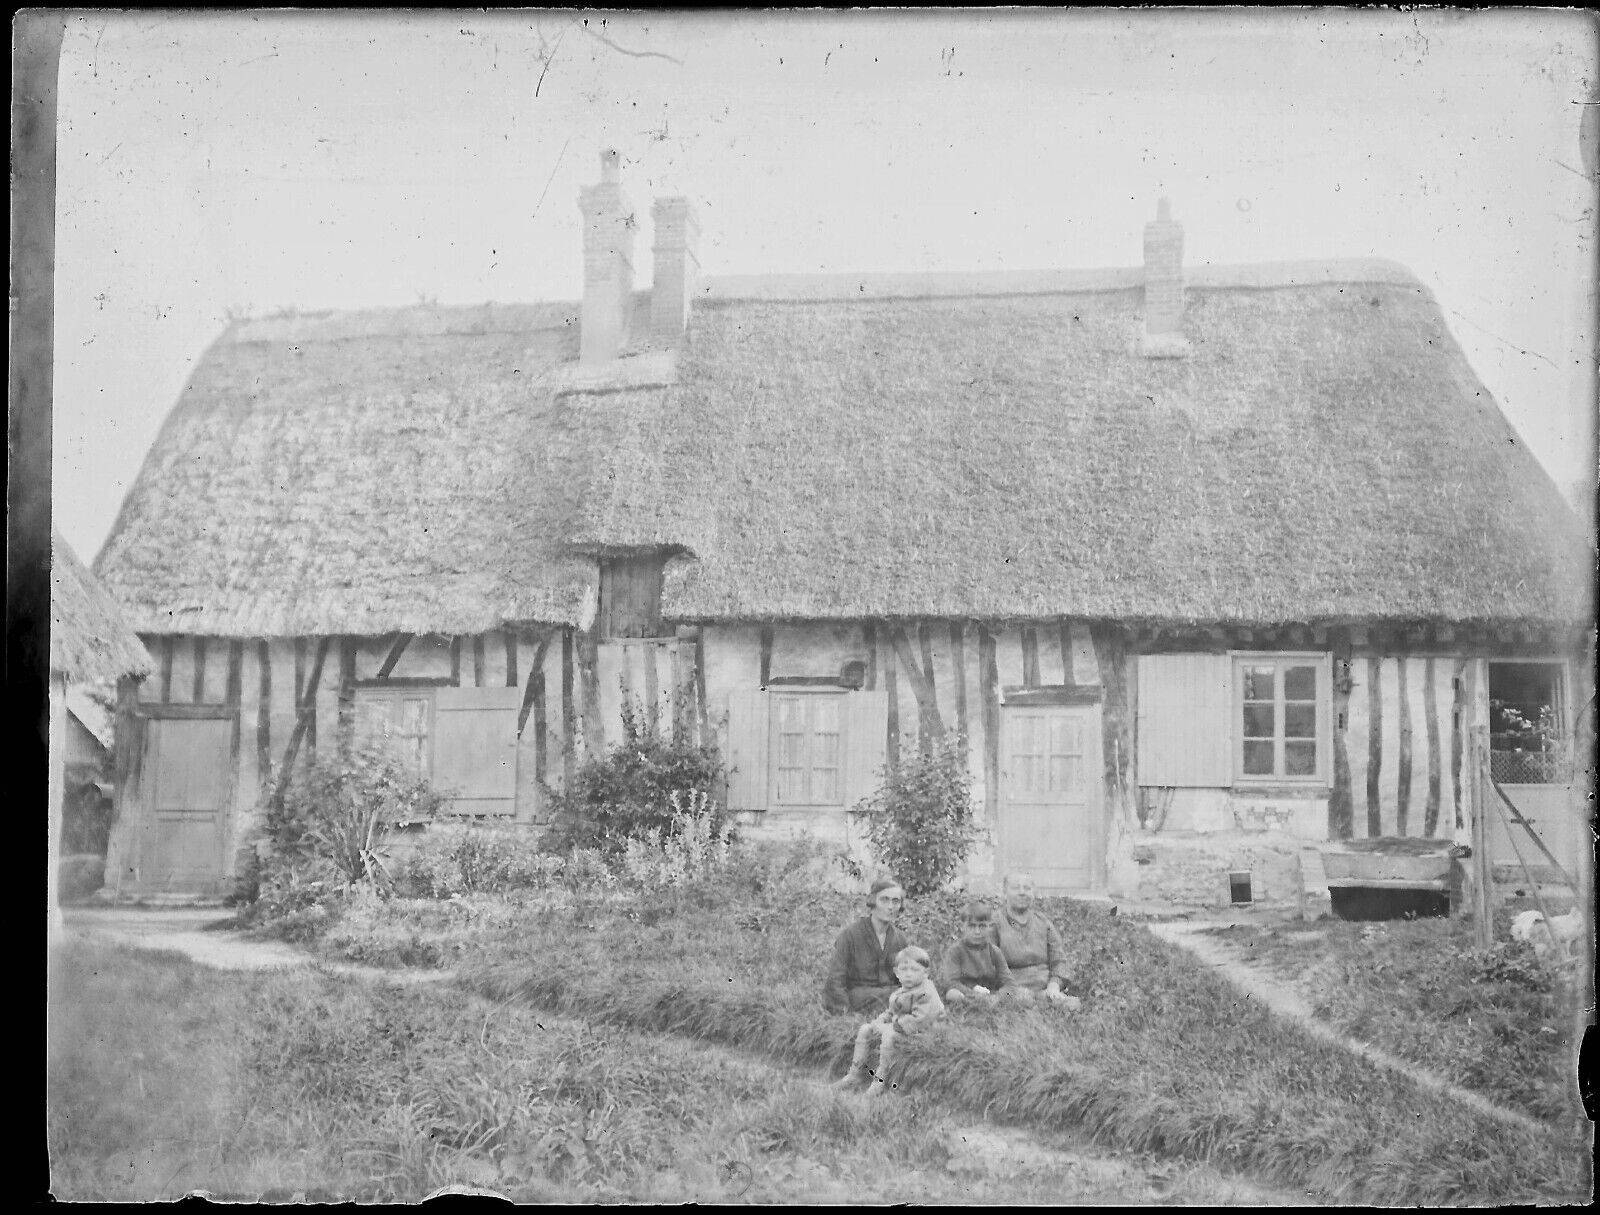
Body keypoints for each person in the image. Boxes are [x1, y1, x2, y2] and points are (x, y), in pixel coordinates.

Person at [831, 945, 945, 1097]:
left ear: (926, 973)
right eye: (904, 970)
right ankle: (854, 1074)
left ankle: (880, 1079)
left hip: (926, 1033)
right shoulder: (901, 991)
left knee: (889, 1035)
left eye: (914, 970)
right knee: (866, 1029)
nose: (909, 975)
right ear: (897, 973)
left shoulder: (926, 993)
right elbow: (891, 1012)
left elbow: (920, 1020)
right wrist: (879, 1022)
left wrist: (890, 1026)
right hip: (903, 1028)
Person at [990, 871, 1081, 1009]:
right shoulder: (994, 924)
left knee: (1073, 1005)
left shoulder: (1043, 923)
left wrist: (1054, 986)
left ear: (1033, 893)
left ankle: (1041, 1006)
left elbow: (1059, 961)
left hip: (1044, 990)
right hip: (1010, 991)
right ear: (1004, 892)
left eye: (1027, 888)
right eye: (1015, 888)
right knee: (1021, 1000)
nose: (1022, 892)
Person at [822, 876, 910, 1014]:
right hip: (860, 999)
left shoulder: (900, 939)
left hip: (892, 996)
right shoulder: (850, 935)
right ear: (872, 901)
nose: (890, 907)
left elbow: (908, 976)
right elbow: (835, 979)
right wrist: (843, 1012)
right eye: (884, 900)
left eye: (895, 901)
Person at [939, 899, 1015, 1004]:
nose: (977, 931)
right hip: (967, 993)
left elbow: (1009, 981)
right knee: (953, 994)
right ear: (962, 927)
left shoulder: (994, 952)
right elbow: (952, 982)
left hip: (991, 994)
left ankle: (989, 1003)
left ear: (989, 927)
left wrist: (998, 996)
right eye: (971, 926)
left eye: (982, 926)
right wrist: (974, 995)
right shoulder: (956, 951)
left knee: (1018, 994)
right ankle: (976, 1004)